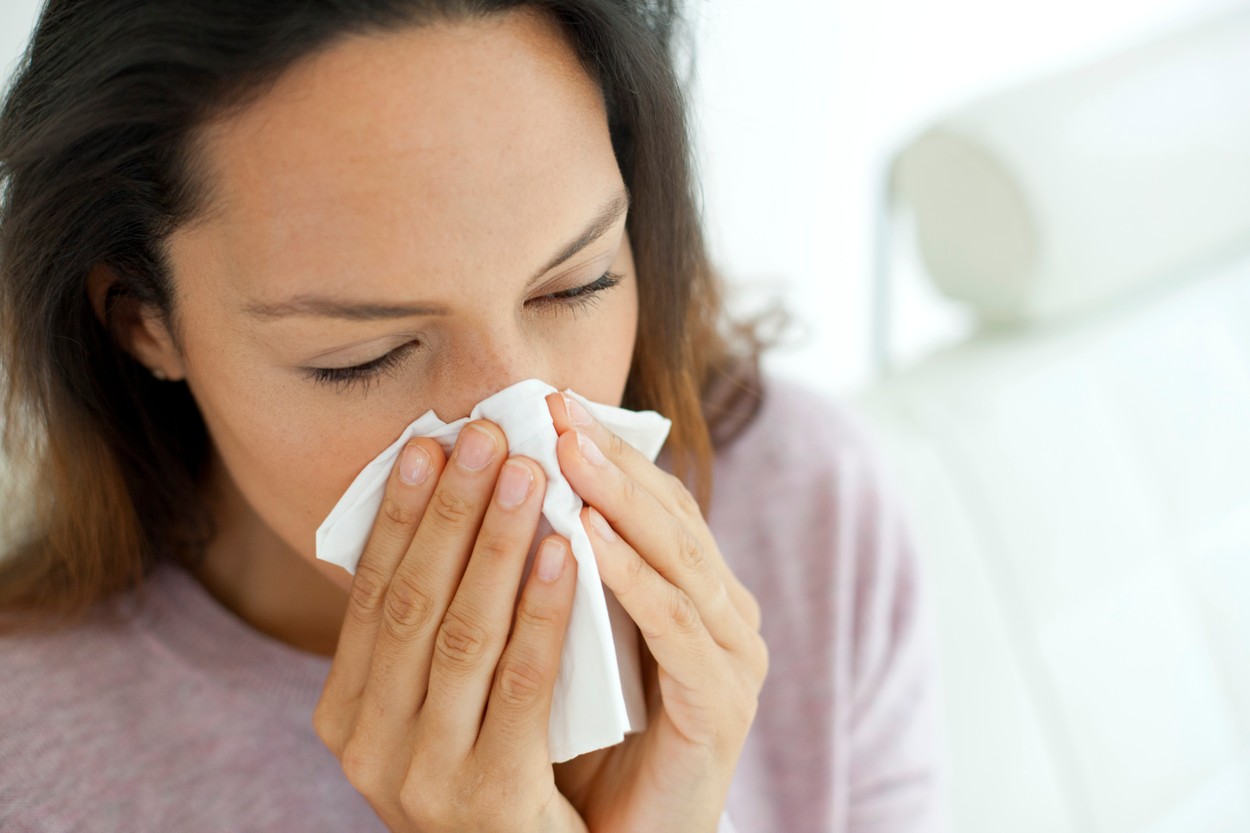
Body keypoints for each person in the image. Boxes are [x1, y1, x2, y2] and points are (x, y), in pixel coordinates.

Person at [0, 1, 948, 831]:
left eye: (576, 286)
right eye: (362, 356)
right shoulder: (31, 762)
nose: (516, 434)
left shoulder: (804, 508)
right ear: (143, 324)